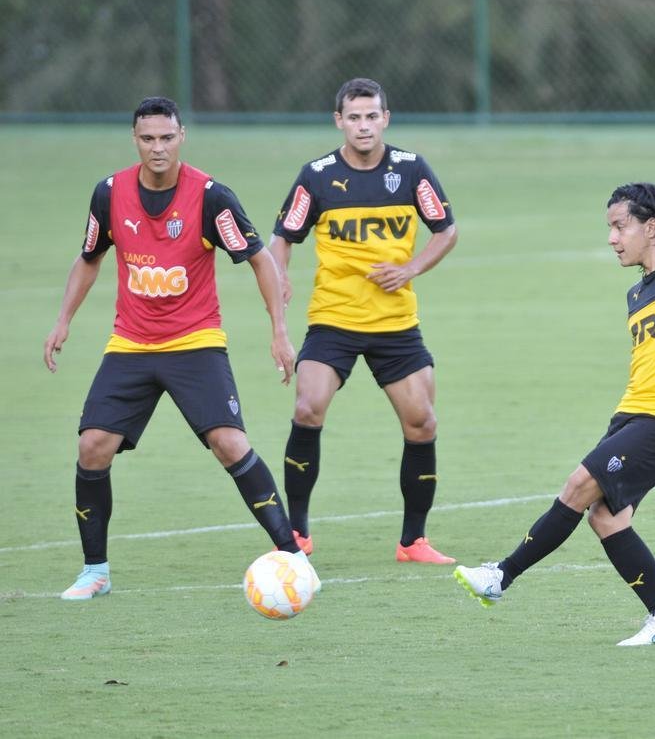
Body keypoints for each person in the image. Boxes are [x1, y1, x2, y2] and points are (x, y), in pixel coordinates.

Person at [454, 182, 655, 645]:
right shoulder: (636, 294)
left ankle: (501, 576)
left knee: (578, 485)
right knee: (606, 517)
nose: (612, 239)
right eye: (610, 228)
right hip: (631, 415)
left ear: (651, 225)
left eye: (620, 227)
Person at [44, 96, 318, 600]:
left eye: (166, 138)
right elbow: (89, 258)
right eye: (147, 139)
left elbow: (260, 260)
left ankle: (294, 557)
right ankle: (95, 571)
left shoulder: (211, 197)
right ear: (135, 140)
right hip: (130, 343)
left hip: (195, 343)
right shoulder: (109, 193)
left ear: (182, 136)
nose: (157, 148)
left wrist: (278, 331)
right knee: (91, 447)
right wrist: (63, 321)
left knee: (230, 444)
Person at [269, 77, 458, 563]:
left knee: (422, 423)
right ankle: (297, 534)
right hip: (333, 318)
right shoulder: (316, 176)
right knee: (308, 406)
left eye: (371, 116)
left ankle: (413, 541)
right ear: (339, 122)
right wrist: (281, 278)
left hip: (395, 324)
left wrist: (412, 267)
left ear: (385, 119)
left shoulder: (411, 170)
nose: (363, 125)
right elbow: (283, 238)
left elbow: (446, 230)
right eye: (353, 117)